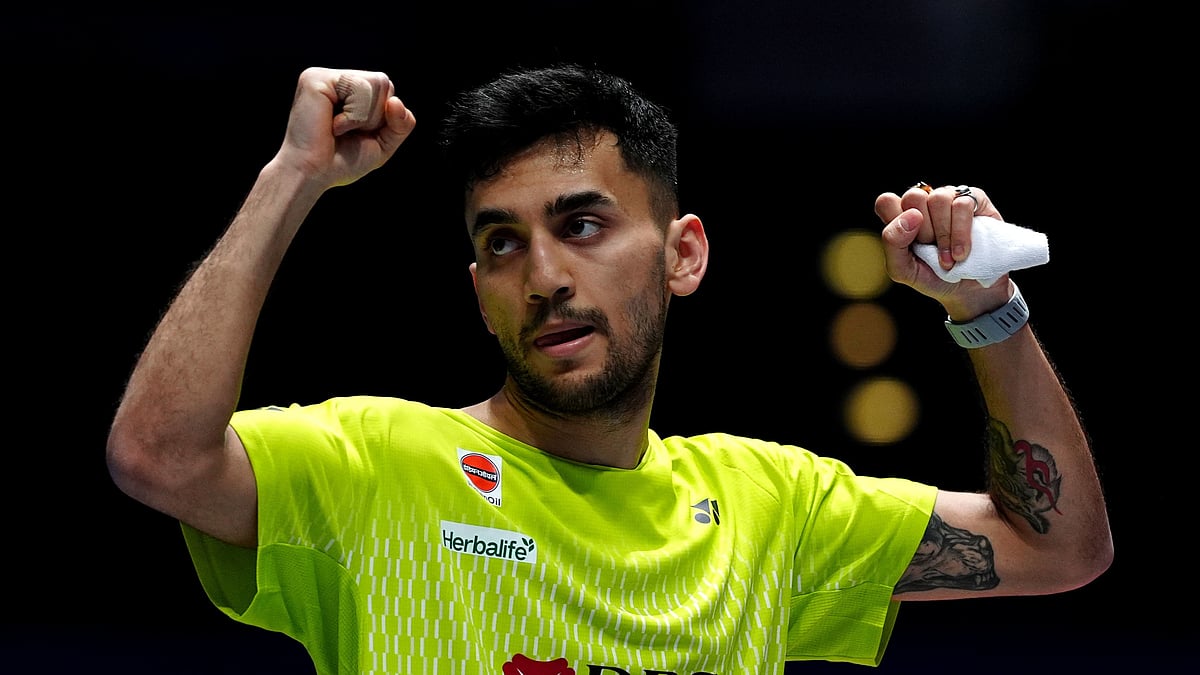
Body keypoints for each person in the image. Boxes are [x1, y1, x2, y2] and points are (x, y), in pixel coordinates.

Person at [106, 64, 1113, 674]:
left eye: (582, 225)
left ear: (683, 254)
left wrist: (985, 309)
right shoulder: (376, 468)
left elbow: (1058, 549)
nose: (542, 275)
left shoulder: (771, 505)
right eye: (502, 244)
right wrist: (294, 176)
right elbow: (158, 456)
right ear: (477, 288)